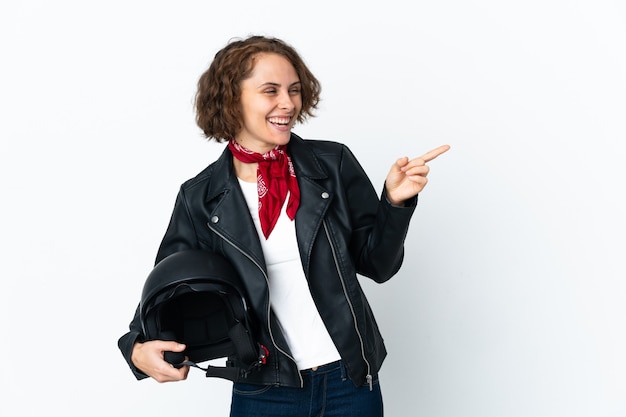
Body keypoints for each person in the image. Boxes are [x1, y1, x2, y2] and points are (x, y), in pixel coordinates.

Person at [118, 34, 450, 417]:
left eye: (294, 90)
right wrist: (136, 347)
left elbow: (379, 266)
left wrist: (395, 203)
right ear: (231, 99)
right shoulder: (201, 198)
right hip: (264, 390)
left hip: (349, 381)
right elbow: (167, 288)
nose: (288, 103)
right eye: (270, 90)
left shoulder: (331, 165)